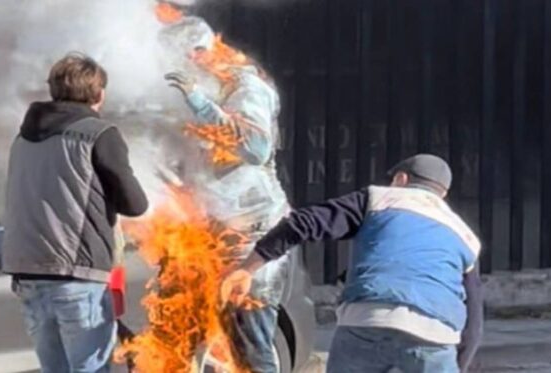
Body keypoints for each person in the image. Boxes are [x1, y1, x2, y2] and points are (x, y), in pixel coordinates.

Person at [221, 154, 484, 373]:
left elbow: (301, 223)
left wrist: (247, 269)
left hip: (367, 320)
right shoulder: (465, 236)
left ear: (401, 179)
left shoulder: (381, 199)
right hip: (434, 335)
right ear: (443, 193)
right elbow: (474, 328)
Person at [0, 53, 149, 373]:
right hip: (76, 275)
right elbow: (135, 204)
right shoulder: (98, 133)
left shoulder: (23, 138)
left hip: (28, 276)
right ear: (99, 94)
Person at [161, 16, 291, 373]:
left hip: (252, 236)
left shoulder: (245, 88)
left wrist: (199, 101)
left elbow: (255, 147)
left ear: (200, 53)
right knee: (200, 341)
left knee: (249, 342)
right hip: (214, 232)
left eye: (180, 59)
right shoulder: (211, 90)